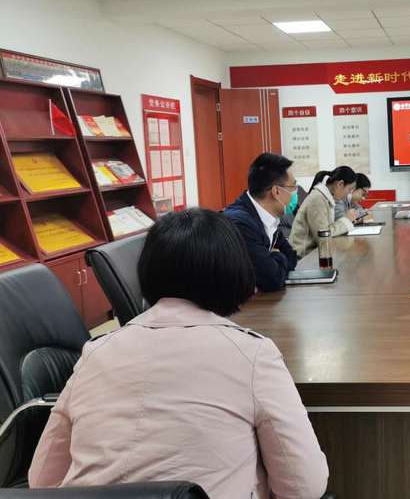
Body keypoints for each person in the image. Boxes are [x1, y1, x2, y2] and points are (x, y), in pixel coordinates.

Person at [28, 209, 328, 499]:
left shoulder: (96, 352)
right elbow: (304, 486)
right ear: (236, 273)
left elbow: (42, 481)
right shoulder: (253, 354)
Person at [223, 152, 299, 292]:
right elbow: (272, 279)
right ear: (276, 191)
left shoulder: (268, 218)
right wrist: (276, 255)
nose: (296, 192)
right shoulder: (241, 224)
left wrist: (273, 258)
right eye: (293, 187)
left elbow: (291, 256)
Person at [290, 165, 358, 258]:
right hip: (303, 255)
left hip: (315, 252)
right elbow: (323, 237)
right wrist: (346, 220)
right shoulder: (317, 199)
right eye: (349, 189)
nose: (348, 194)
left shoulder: (325, 197)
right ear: (340, 184)